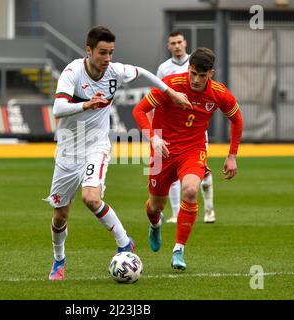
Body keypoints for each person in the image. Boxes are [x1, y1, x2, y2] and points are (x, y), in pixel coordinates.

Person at [46, 26, 191, 281]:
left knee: (91, 198)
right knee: (60, 217)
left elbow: (144, 72)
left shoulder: (115, 71)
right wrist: (86, 104)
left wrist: (170, 93)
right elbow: (58, 108)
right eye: (102, 52)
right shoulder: (73, 72)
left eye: (111, 52)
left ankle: (124, 243)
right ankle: (59, 260)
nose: (107, 58)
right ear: (88, 51)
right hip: (68, 150)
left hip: (96, 146)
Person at [133, 47, 243, 270]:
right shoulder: (170, 84)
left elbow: (237, 120)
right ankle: (155, 226)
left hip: (193, 149)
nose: (196, 79)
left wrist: (232, 155)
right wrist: (153, 138)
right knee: (155, 207)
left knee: (191, 191)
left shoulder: (219, 93)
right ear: (189, 68)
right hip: (162, 150)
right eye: (193, 73)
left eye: (202, 75)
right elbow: (139, 111)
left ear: (210, 73)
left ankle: (178, 250)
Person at [155, 31, 216, 224]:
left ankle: (209, 210)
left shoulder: (199, 63)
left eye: (180, 42)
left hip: (195, 130)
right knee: (171, 174)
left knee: (203, 173)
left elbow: (209, 92)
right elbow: (156, 95)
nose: (177, 46)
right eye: (173, 43)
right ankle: (175, 213)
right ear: (168, 46)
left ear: (185, 43)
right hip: (172, 131)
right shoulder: (164, 69)